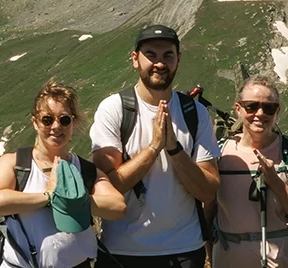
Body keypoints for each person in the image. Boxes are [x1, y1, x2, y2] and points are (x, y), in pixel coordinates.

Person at [90, 24, 222, 268]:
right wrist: (153, 148)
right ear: (135, 60)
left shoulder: (195, 113)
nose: (159, 63)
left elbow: (208, 190)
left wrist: (173, 149)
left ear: (178, 60)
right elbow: (105, 187)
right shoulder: (114, 109)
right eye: (151, 55)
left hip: (185, 250)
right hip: (123, 252)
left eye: (167, 55)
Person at [0, 79, 128, 268]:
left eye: (64, 119)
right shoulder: (15, 164)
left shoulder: (85, 170)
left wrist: (73, 199)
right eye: (47, 119)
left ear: (72, 123)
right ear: (35, 122)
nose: (56, 126)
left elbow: (118, 206)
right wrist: (49, 196)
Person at [212, 75, 288, 267]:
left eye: (268, 108)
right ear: (238, 109)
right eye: (251, 106)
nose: (260, 113)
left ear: (277, 111)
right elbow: (206, 214)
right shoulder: (219, 154)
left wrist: (275, 181)